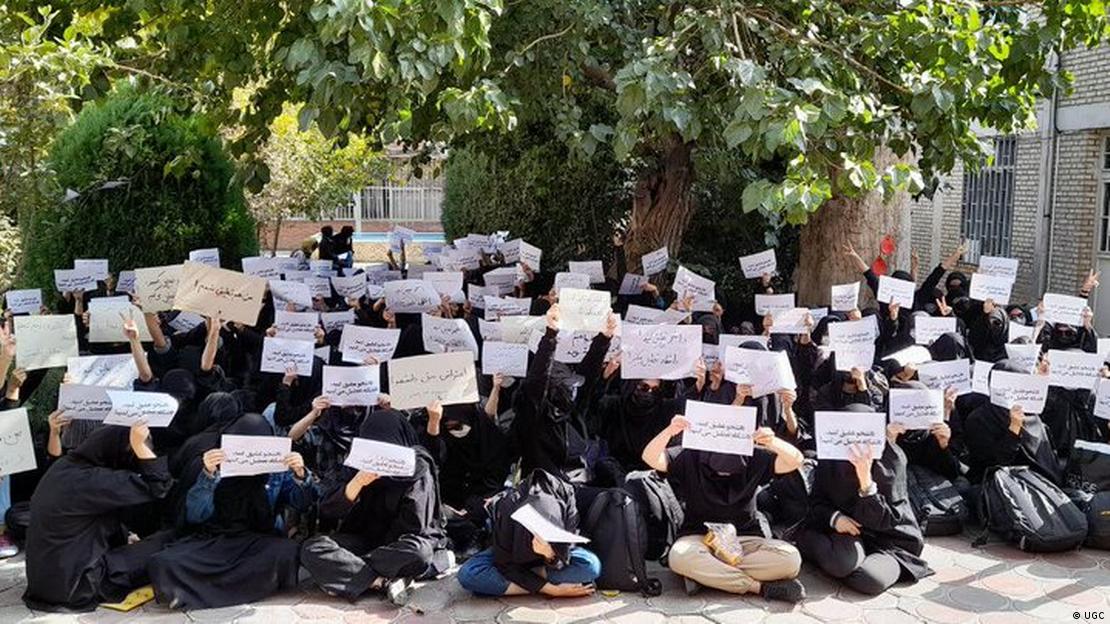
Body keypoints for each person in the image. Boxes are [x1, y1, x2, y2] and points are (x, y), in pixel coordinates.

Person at [147, 413, 316, 609]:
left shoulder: (277, 471)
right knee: (163, 563)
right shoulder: (214, 465)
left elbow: (302, 503)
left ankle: (202, 588)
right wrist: (208, 475)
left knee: (288, 551)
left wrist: (301, 475)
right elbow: (195, 515)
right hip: (215, 541)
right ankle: (239, 587)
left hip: (259, 541)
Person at [640, 414, 808, 602]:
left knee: (791, 560)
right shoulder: (689, 455)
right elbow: (650, 456)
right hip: (700, 539)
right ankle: (758, 587)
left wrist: (772, 441)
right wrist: (670, 431)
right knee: (679, 557)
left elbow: (796, 460)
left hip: (745, 540)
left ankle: (708, 575)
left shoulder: (756, 457)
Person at [300, 409, 452, 606]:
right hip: (367, 539)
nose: (381, 454)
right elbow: (328, 509)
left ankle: (348, 569)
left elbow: (416, 527)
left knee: (419, 553)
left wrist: (345, 561)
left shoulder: (418, 467)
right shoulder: (357, 463)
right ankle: (381, 581)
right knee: (311, 547)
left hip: (401, 544)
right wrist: (357, 483)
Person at [22, 423, 173, 612]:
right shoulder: (90, 479)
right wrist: (141, 447)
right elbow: (159, 486)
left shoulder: (66, 468)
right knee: (167, 542)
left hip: (46, 583)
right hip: (78, 586)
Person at [798, 406, 933, 595]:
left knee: (870, 579)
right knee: (841, 564)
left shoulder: (892, 460)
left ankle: (844, 562)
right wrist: (835, 518)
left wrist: (866, 482)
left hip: (889, 539)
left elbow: (888, 519)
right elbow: (816, 503)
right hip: (846, 531)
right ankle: (808, 543)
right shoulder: (831, 460)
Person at [456, 469, 600, 597]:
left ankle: (509, 585)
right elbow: (505, 564)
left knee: (591, 566)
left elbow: (566, 553)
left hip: (550, 559)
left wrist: (550, 554)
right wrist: (552, 590)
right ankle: (542, 584)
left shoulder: (565, 498)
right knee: (469, 574)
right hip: (510, 551)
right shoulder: (508, 508)